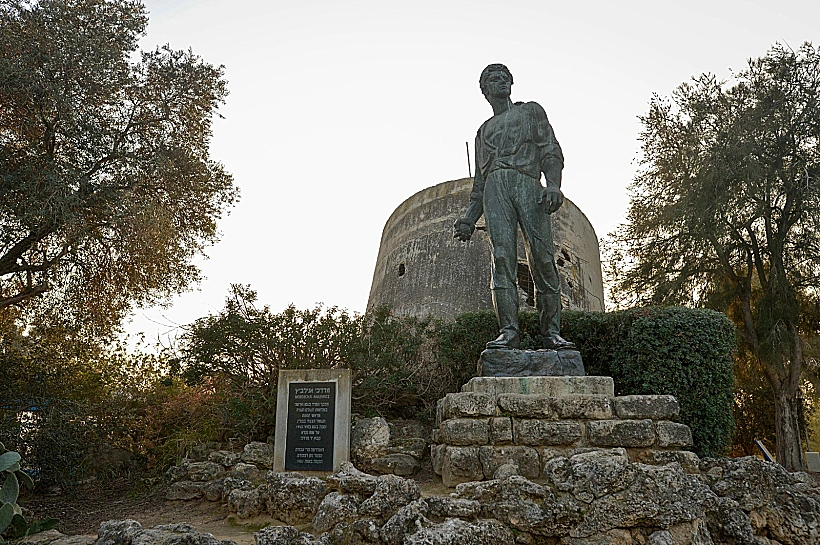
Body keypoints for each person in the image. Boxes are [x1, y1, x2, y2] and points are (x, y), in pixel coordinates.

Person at [454, 63, 575, 351]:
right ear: (485, 90)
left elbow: (550, 149)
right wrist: (469, 219)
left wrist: (553, 184)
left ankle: (552, 333)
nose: (501, 81)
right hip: (495, 190)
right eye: (494, 79)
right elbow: (480, 182)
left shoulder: (531, 111)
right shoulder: (483, 132)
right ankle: (508, 332)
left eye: (505, 77)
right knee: (502, 259)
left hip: (528, 183)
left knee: (543, 258)